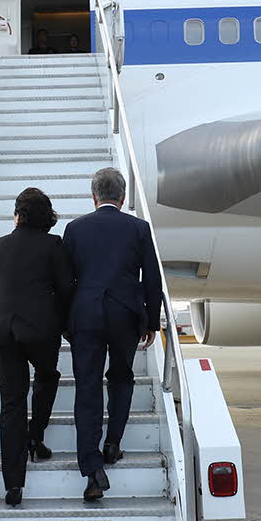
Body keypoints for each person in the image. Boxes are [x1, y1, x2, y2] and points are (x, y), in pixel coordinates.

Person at [63, 168, 161, 502]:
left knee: (87, 388)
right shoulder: (139, 228)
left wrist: (67, 322)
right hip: (125, 315)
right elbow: (152, 276)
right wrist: (153, 321)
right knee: (121, 378)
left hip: (86, 316)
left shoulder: (74, 229)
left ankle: (92, 470)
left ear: (94, 197)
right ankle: (113, 443)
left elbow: (66, 281)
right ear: (122, 197)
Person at [0, 188, 74, 507]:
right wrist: (63, 323)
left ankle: (13, 485)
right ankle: (36, 435)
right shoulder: (53, 244)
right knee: (47, 377)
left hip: (4, 332)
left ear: (18, 214)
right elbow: (65, 288)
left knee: (11, 404)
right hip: (41, 330)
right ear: (46, 215)